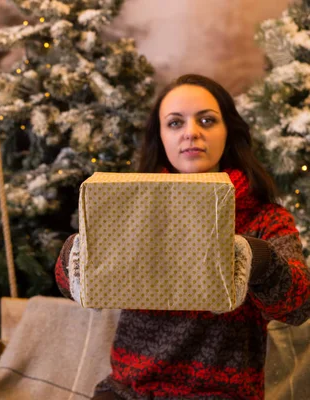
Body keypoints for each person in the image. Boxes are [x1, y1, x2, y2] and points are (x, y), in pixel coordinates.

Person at [55, 74, 310, 399]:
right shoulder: (129, 208)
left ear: (228, 130)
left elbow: (300, 306)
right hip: (127, 391)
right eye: (175, 123)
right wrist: (74, 253)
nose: (191, 132)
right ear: (159, 137)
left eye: (207, 120)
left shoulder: (265, 218)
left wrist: (258, 258)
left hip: (221, 394)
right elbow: (69, 284)